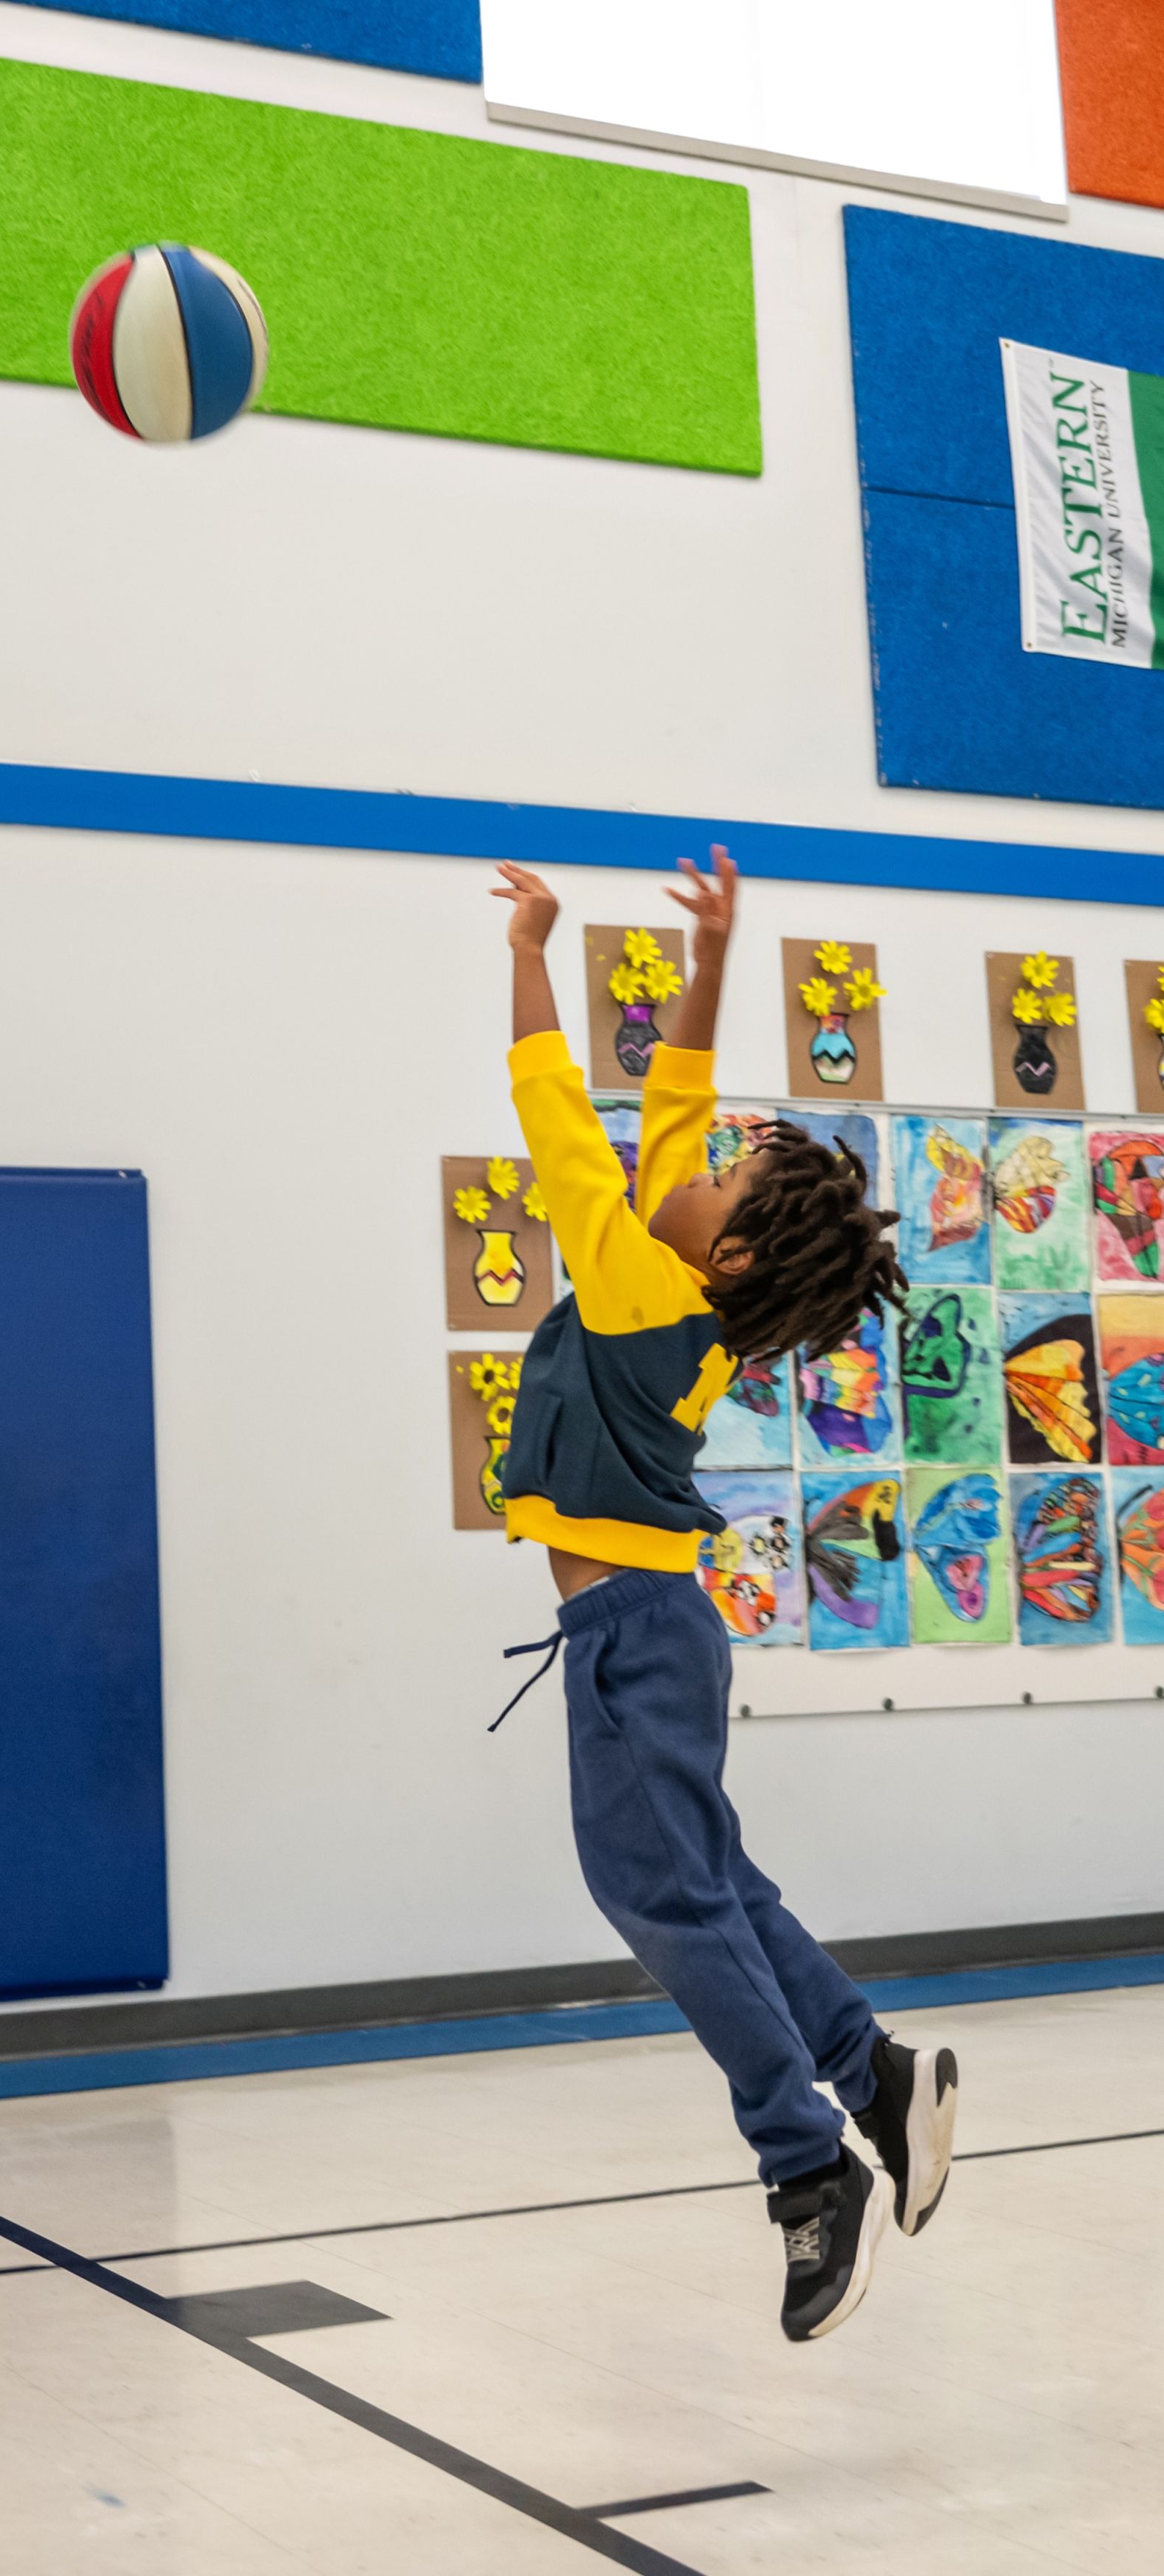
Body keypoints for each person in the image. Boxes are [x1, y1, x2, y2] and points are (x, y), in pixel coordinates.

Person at [488, 847, 956, 2344]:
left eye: (708, 1182)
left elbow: (556, 1115)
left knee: (655, 1893)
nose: (678, 1168)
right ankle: (869, 2069)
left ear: (729, 1244)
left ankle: (807, 2165)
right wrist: (707, 957)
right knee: (713, 1886)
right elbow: (669, 1102)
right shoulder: (683, 1279)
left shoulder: (635, 1279)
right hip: (651, 1624)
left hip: (629, 1633)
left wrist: (530, 954)